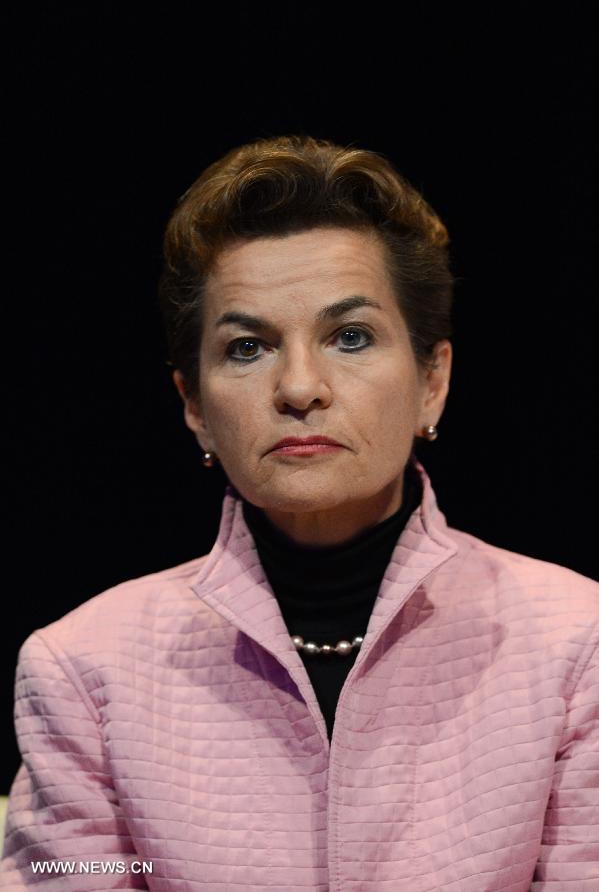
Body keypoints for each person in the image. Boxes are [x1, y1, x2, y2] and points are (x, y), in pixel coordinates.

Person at [1, 135, 597, 891]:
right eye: (248, 347)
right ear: (193, 405)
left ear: (431, 381)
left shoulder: (578, 646)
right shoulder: (84, 670)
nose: (300, 387)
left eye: (350, 337)